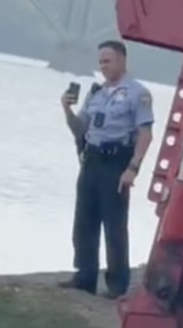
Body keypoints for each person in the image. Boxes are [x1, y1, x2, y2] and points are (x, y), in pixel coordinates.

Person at [59, 39, 154, 298]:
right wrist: (67, 110)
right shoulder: (95, 93)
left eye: (108, 61)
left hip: (116, 162)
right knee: (84, 221)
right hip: (91, 161)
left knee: (114, 225)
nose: (103, 67)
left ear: (122, 60)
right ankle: (85, 276)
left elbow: (145, 134)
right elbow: (80, 128)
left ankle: (117, 283)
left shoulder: (138, 93)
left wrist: (133, 168)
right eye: (100, 62)